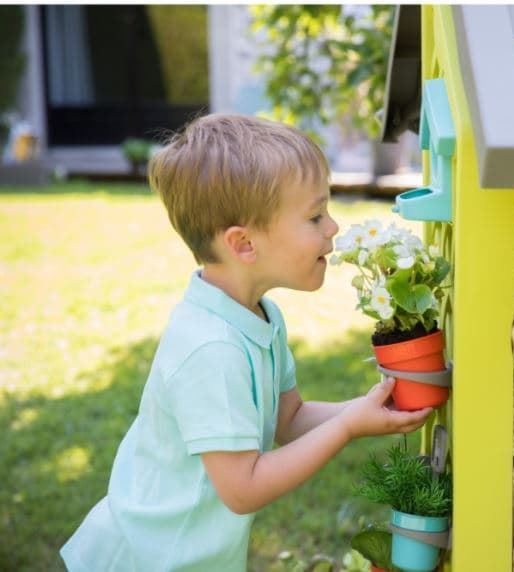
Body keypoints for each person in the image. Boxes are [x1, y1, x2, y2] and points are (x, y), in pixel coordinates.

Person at [60, 114, 432, 571]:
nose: (333, 227)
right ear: (244, 245)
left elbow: (288, 419)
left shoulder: (259, 317)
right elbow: (243, 489)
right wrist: (347, 427)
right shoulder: (211, 350)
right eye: (315, 216)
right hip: (147, 559)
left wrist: (367, 409)